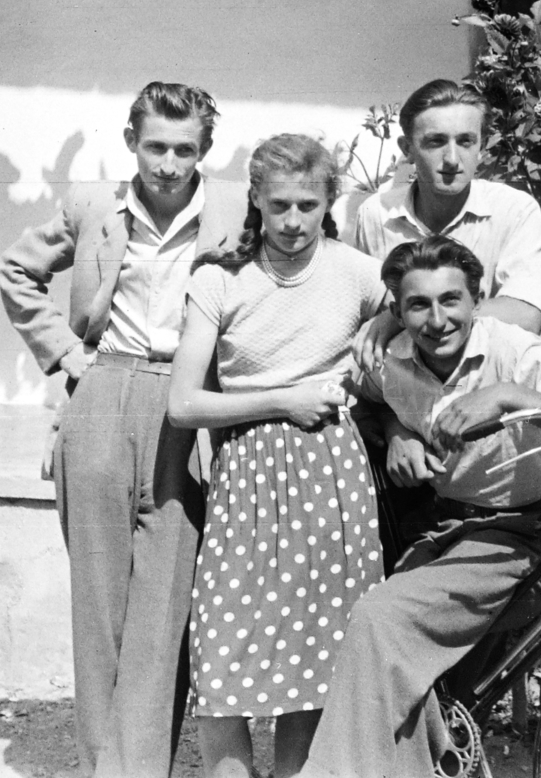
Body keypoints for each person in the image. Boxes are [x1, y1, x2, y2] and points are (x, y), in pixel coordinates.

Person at [298, 236, 541, 778]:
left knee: (381, 618)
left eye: (451, 300)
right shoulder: (392, 359)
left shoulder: (514, 351)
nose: (437, 319)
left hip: (521, 538)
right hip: (446, 533)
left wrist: (510, 396)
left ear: (477, 299)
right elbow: (367, 402)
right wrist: (397, 430)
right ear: (398, 311)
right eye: (418, 305)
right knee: (413, 681)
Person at [0, 82, 244, 778]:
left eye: (185, 149)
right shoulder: (93, 206)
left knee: (168, 602)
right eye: (157, 146)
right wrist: (66, 354)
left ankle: (137, 767)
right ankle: (104, 765)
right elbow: (17, 270)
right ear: (132, 139)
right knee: (99, 596)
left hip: (187, 402)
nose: (169, 164)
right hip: (103, 390)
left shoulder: (235, 209)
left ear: (206, 150)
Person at [166, 134, 386, 778]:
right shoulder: (219, 277)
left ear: (329, 203)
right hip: (245, 473)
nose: (293, 223)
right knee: (223, 642)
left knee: (313, 650)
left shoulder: (357, 272)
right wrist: (281, 401)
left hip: (330, 473)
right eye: (280, 205)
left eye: (308, 206)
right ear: (255, 200)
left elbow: (420, 314)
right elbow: (183, 404)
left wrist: (383, 322)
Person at [350, 78, 541, 365]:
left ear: (481, 145)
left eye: (466, 141)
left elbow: (526, 315)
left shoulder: (514, 210)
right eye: (436, 141)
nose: (453, 159)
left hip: (491, 376)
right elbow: (365, 311)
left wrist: (400, 320)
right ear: (407, 148)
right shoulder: (376, 214)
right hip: (401, 383)